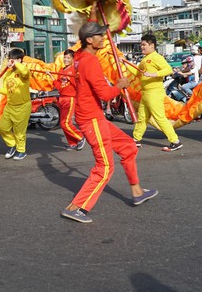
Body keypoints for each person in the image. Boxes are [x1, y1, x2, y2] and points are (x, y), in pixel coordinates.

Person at [60, 22, 157, 223]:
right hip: (91, 119)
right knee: (104, 167)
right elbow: (104, 94)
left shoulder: (81, 58)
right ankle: (76, 207)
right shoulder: (89, 61)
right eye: (99, 35)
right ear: (89, 40)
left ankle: (137, 191)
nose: (103, 38)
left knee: (129, 147)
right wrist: (120, 86)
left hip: (94, 117)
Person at [131, 34, 183, 152]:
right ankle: (136, 139)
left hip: (154, 93)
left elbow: (168, 69)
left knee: (159, 118)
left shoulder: (155, 57)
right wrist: (123, 63)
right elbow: (137, 73)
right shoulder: (145, 59)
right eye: (141, 45)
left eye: (144, 45)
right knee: (142, 118)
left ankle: (175, 141)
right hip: (146, 93)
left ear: (152, 45)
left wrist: (153, 74)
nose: (142, 47)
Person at [0, 48, 32, 160]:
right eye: (10, 59)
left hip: (22, 106)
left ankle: (21, 151)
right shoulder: (8, 74)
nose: (11, 61)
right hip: (10, 105)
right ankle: (12, 145)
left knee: (19, 132)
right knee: (3, 128)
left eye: (14, 59)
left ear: (20, 60)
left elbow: (25, 72)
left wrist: (16, 64)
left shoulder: (23, 72)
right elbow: (8, 91)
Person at [52, 49, 85, 150]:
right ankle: (72, 143)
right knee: (64, 123)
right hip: (61, 98)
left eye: (68, 58)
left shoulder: (75, 70)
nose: (66, 59)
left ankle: (80, 137)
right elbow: (59, 86)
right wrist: (53, 79)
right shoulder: (62, 70)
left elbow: (79, 84)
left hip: (70, 99)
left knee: (65, 123)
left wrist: (75, 77)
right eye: (65, 57)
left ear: (73, 59)